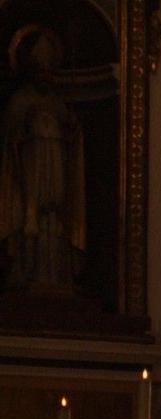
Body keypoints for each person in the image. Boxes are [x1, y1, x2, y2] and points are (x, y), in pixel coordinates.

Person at [0, 26, 86, 290]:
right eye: (40, 68)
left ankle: (57, 275)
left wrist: (71, 132)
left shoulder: (59, 105)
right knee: (30, 216)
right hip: (29, 169)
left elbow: (74, 137)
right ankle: (24, 272)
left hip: (55, 166)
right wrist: (26, 130)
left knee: (54, 217)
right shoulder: (19, 101)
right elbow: (10, 137)